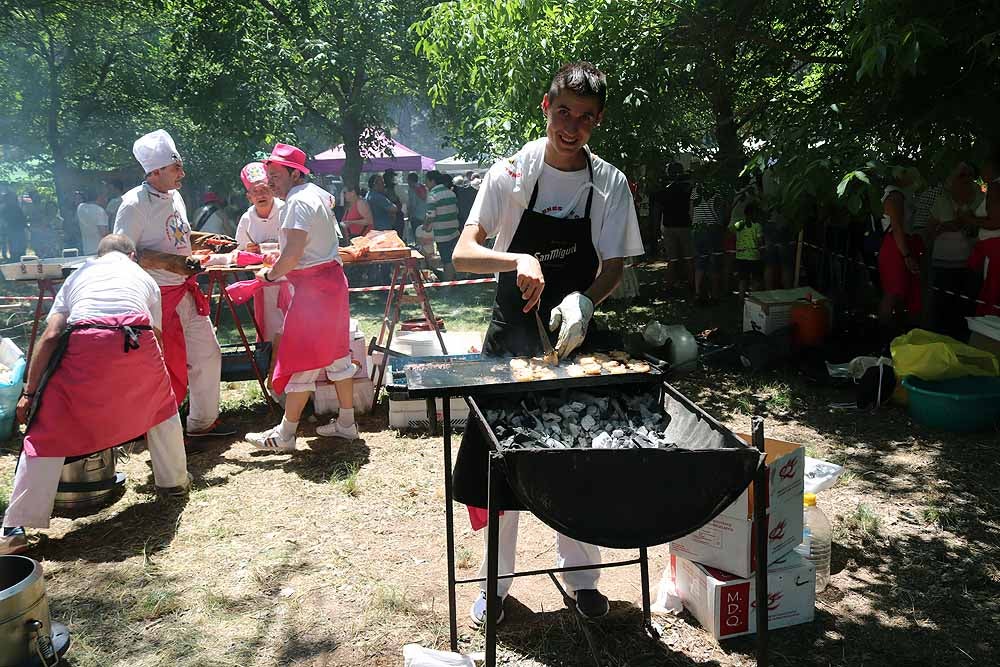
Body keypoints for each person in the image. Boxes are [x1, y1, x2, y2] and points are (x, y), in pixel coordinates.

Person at [451, 61, 644, 624]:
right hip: (512, 334)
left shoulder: (608, 183)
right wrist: (519, 258)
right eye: (564, 111)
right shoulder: (510, 174)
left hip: (574, 338)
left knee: (580, 457)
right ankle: (496, 586)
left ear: (597, 122)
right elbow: (464, 252)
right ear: (546, 106)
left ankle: (583, 579)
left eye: (585, 117)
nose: (572, 125)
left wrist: (586, 299)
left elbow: (613, 266)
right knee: (500, 463)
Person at [0, 235, 191, 555]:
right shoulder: (144, 277)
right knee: (163, 408)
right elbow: (155, 335)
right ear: (132, 256)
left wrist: (30, 394)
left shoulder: (79, 275)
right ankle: (174, 484)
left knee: (46, 429)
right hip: (138, 339)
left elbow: (50, 337)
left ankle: (14, 529)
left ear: (96, 256)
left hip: (87, 339)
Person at [114, 129, 232, 441]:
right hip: (154, 298)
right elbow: (122, 251)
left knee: (208, 354)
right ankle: (155, 430)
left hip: (184, 290)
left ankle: (202, 424)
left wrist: (206, 239)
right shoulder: (133, 204)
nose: (182, 172)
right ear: (155, 172)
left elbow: (179, 236)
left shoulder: (174, 196)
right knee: (159, 367)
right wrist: (172, 263)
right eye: (175, 167)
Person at [244, 143, 358, 450]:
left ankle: (285, 435)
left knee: (302, 358)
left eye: (276, 175)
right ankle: (347, 423)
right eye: (268, 174)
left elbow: (293, 255)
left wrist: (268, 274)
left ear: (296, 174)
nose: (270, 181)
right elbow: (301, 249)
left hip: (315, 292)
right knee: (336, 353)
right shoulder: (315, 193)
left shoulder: (296, 202)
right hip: (329, 285)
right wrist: (281, 261)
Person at [235, 162, 286, 386]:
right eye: (255, 192)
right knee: (269, 331)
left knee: (291, 330)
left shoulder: (286, 209)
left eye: (264, 189)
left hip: (289, 281)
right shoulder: (247, 219)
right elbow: (240, 249)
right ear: (249, 197)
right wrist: (250, 251)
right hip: (263, 285)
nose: (261, 195)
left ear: (272, 190)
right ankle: (273, 378)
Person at [925, 162, 981, 335]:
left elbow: (984, 227)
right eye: (960, 176)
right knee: (941, 305)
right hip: (942, 264)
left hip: (970, 264)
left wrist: (963, 223)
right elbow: (930, 230)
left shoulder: (980, 199)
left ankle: (962, 340)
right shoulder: (942, 199)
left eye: (968, 176)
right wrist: (944, 227)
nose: (965, 180)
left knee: (966, 306)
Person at [878, 166, 923, 339]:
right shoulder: (895, 196)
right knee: (892, 292)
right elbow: (897, 227)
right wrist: (906, 255)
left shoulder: (897, 194)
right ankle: (884, 336)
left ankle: (893, 335)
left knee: (898, 292)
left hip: (898, 244)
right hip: (896, 246)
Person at [652, 162, 694, 288]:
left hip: (669, 227)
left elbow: (657, 212)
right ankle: (692, 285)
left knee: (672, 259)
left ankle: (669, 286)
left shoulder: (664, 191)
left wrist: (656, 231)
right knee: (688, 257)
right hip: (685, 225)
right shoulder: (688, 189)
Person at [689, 175, 725, 303]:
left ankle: (698, 292)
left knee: (700, 262)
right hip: (712, 228)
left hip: (697, 229)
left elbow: (691, 211)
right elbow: (720, 212)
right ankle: (714, 293)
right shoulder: (718, 189)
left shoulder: (696, 189)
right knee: (714, 262)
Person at [425, 170, 460, 281]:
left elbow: (431, 215)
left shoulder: (433, 195)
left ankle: (448, 287)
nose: (425, 184)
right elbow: (456, 211)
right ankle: (454, 280)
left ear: (432, 180)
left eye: (426, 181)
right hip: (454, 231)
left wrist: (425, 226)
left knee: (446, 260)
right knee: (453, 258)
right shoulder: (451, 193)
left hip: (442, 234)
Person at [731, 199, 765, 297]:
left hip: (740, 256)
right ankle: (754, 299)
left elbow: (732, 232)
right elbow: (760, 241)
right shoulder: (757, 226)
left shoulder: (739, 224)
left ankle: (741, 298)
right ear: (755, 214)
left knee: (742, 279)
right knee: (755, 279)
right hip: (754, 256)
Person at [76, 189, 109, 255]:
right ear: (99, 197)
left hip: (87, 250)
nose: (106, 199)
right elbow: (103, 233)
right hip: (100, 250)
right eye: (104, 196)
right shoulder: (99, 211)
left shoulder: (80, 208)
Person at [1, 190, 27, 260]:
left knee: (22, 251)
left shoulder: (18, 208)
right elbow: (4, 221)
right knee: (14, 251)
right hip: (11, 233)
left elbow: (23, 220)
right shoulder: (4, 209)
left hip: (20, 232)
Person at [406, 172, 428, 242]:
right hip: (425, 215)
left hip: (416, 216)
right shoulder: (423, 187)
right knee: (425, 236)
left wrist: (409, 215)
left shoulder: (412, 189)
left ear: (410, 180)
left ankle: (419, 250)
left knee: (417, 236)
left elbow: (412, 205)